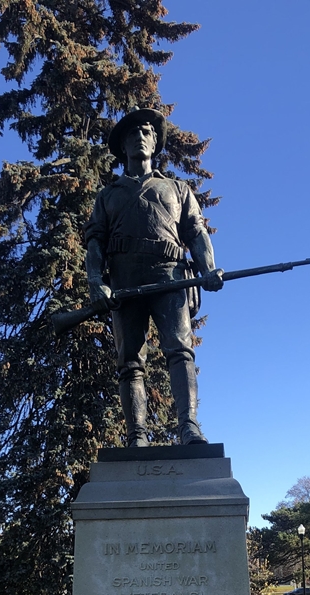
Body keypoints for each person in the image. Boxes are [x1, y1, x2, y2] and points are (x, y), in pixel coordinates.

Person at [85, 107, 223, 446]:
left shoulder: (177, 189)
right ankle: (137, 435)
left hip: (170, 275)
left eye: (146, 132)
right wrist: (95, 281)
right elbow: (95, 243)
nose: (140, 137)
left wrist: (208, 268)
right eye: (132, 133)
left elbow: (196, 233)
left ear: (155, 142)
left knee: (181, 351)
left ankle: (189, 426)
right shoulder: (108, 195)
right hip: (124, 280)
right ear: (122, 146)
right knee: (130, 361)